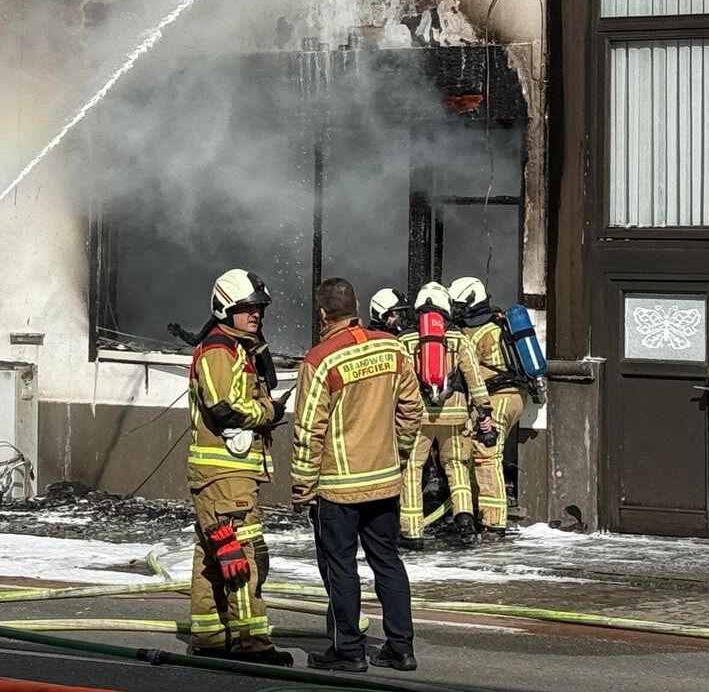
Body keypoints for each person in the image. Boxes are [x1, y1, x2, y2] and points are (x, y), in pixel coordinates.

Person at [291, 277, 424, 673]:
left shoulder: (320, 360)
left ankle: (348, 651)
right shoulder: (392, 347)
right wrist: (398, 454)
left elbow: (308, 430)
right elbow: (412, 410)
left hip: (338, 490)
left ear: (322, 314)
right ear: (357, 307)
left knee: (341, 567)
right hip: (385, 482)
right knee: (387, 561)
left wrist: (302, 488)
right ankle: (401, 648)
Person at [181, 268, 290, 666]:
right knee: (241, 554)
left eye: (259, 308)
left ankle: (210, 636)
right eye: (247, 308)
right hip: (226, 476)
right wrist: (269, 411)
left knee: (213, 555)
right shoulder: (219, 350)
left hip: (226, 476)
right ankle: (250, 643)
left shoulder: (239, 349)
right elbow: (224, 408)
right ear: (225, 309)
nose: (255, 314)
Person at [396, 281, 493, 548]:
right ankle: (465, 521)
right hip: (455, 415)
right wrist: (484, 409)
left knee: (412, 469)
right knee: (456, 466)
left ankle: (412, 533)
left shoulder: (405, 340)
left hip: (418, 416)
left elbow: (400, 381)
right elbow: (474, 378)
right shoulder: (459, 338)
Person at [459, 277, 525, 540]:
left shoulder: (473, 334)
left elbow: (465, 370)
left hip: (495, 399)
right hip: (514, 397)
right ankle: (483, 515)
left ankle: (493, 523)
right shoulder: (498, 323)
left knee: (486, 455)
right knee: (483, 453)